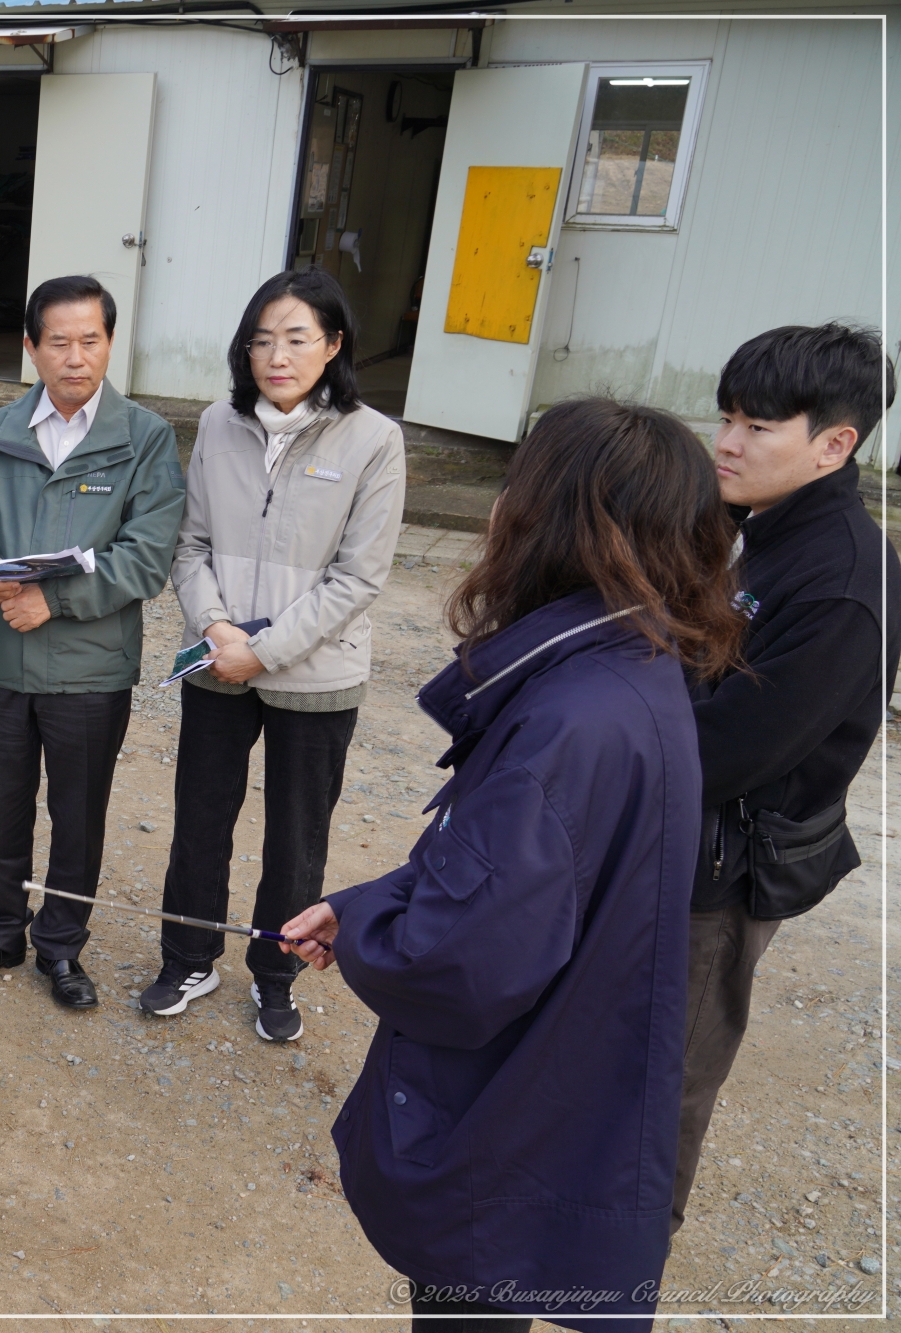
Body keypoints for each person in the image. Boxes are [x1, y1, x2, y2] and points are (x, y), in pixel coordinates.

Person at [278, 398, 746, 1333]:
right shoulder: (633, 664)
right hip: (560, 1071)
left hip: (511, 1097)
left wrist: (377, 927)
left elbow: (465, 958)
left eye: (515, 489)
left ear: (559, 524)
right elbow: (519, 876)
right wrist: (373, 899)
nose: (497, 511)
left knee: (470, 1296)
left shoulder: (570, 716)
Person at [670, 324, 901, 1233]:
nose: (727, 442)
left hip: (722, 868)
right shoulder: (754, 525)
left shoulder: (842, 579)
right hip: (676, 834)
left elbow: (732, 751)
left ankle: (615, 1272)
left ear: (834, 444)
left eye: (758, 426)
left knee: (669, 1073)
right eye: (725, 417)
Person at [146, 267, 404, 1035]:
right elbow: (190, 544)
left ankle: (275, 970)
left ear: (333, 345)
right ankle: (188, 956)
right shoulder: (219, 424)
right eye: (262, 339)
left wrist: (263, 650)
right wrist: (217, 628)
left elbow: (359, 576)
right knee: (200, 818)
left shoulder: (373, 439)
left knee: (297, 834)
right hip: (218, 661)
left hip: (316, 673)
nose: (276, 355)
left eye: (296, 338)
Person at [0, 275, 183, 1008]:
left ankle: (62, 946)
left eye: (91, 340)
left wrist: (56, 599)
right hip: (3, 659)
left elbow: (147, 555)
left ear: (110, 342)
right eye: (58, 342)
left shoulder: (143, 438)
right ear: (31, 348)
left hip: (89, 668)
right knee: (3, 803)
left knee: (78, 813)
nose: (75, 357)